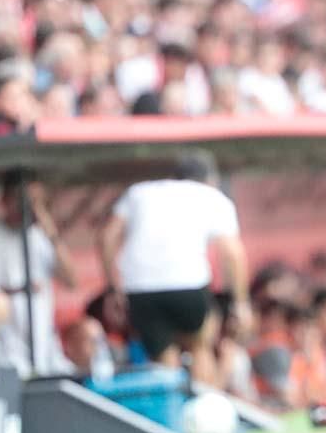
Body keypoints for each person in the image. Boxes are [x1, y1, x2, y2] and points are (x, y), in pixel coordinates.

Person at [98, 154, 252, 384]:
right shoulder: (211, 196)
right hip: (188, 284)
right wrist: (241, 303)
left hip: (140, 288)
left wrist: (113, 288)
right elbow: (233, 253)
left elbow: (106, 237)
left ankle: (172, 414)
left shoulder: (139, 192)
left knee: (164, 358)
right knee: (199, 346)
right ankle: (207, 408)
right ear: (210, 179)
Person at [0, 174, 79, 377]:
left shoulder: (41, 237)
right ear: (5, 200)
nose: (27, 206)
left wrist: (46, 222)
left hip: (44, 348)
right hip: (6, 349)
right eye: (22, 199)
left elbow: (71, 279)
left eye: (35, 200)